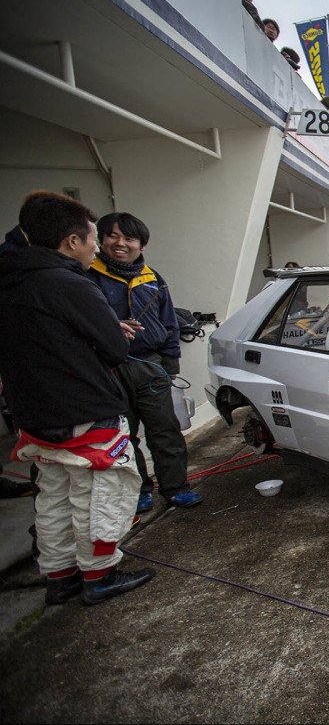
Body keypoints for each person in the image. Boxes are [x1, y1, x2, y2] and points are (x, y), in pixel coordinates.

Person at [0, 193, 154, 605]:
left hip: (33, 414)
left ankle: (61, 577)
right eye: (93, 240)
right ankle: (100, 575)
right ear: (72, 241)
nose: (95, 249)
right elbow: (115, 350)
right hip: (86, 411)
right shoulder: (70, 283)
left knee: (52, 497)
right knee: (100, 494)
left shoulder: (10, 279)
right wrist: (112, 331)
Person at [89, 212, 199, 511]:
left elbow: (169, 324)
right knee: (122, 435)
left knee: (165, 430)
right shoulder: (88, 276)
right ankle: (138, 490)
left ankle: (176, 487)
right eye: (113, 236)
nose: (120, 243)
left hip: (150, 366)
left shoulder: (153, 279)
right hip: (108, 368)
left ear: (141, 244)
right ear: (101, 239)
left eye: (129, 238)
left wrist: (170, 364)